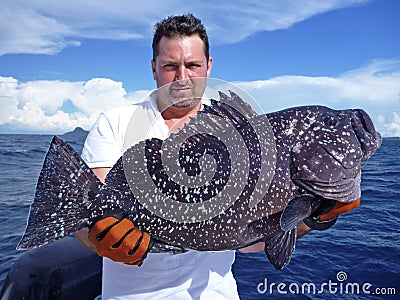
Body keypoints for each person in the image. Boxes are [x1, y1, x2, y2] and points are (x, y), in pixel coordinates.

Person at [75, 13, 358, 299]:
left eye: (193, 65)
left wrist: (314, 218)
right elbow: (85, 221)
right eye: (170, 66)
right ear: (154, 68)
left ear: (208, 66)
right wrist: (100, 237)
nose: (182, 77)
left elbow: (252, 243)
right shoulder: (115, 122)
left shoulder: (244, 136)